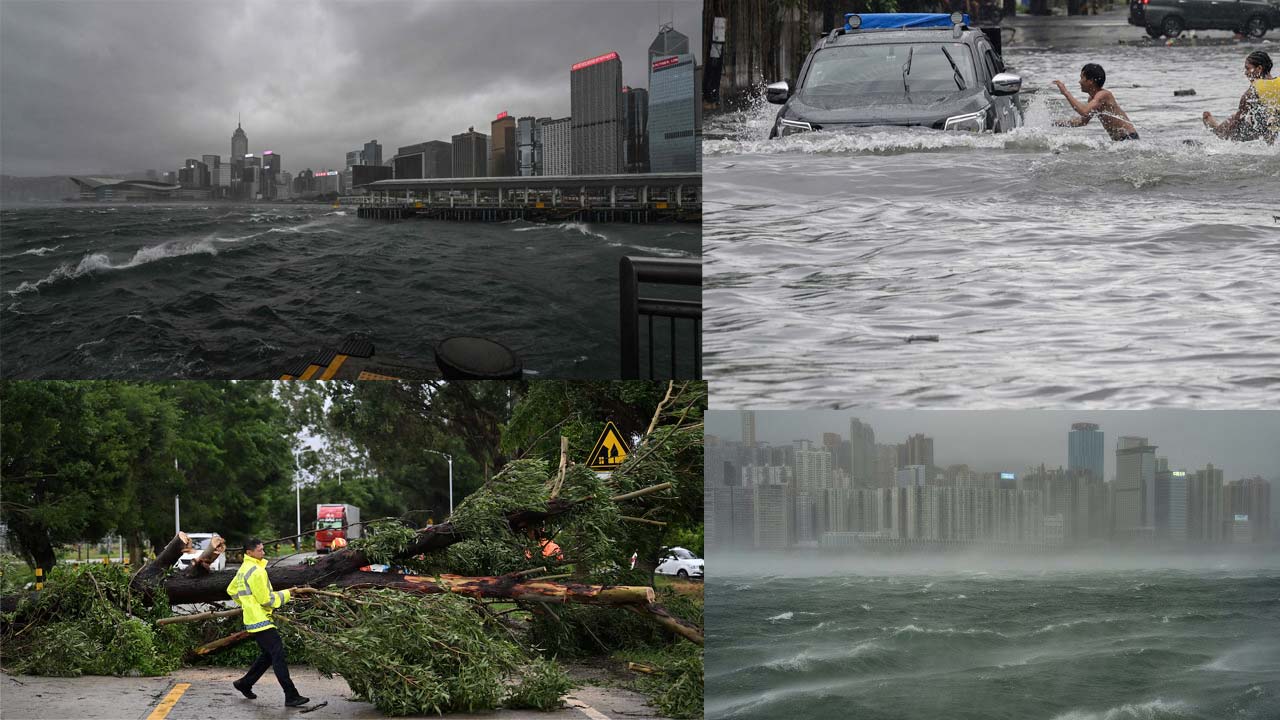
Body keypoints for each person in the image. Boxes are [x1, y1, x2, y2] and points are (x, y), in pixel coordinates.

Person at [227, 538, 312, 707]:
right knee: (277, 654)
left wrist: (247, 603)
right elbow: (266, 600)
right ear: (249, 553)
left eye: (263, 549)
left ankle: (244, 683)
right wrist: (288, 594)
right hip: (261, 620)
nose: (263, 553)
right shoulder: (257, 571)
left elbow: (231, 590)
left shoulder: (244, 568)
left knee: (268, 655)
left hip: (253, 618)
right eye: (260, 550)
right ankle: (291, 695)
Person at [1202, 51, 1278, 144]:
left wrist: (1226, 136)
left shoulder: (1251, 92)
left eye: (1247, 68)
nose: (1245, 73)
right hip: (1274, 132)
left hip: (1262, 134)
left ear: (1259, 68)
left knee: (1235, 118)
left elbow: (1237, 121)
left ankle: (1217, 131)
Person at [1052, 64, 1140, 141]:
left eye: (1082, 78)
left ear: (1091, 81)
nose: (1079, 81)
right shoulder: (1092, 99)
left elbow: (1084, 111)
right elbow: (1082, 121)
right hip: (1119, 141)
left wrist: (1065, 93)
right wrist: (1055, 123)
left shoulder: (1103, 95)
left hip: (1129, 138)